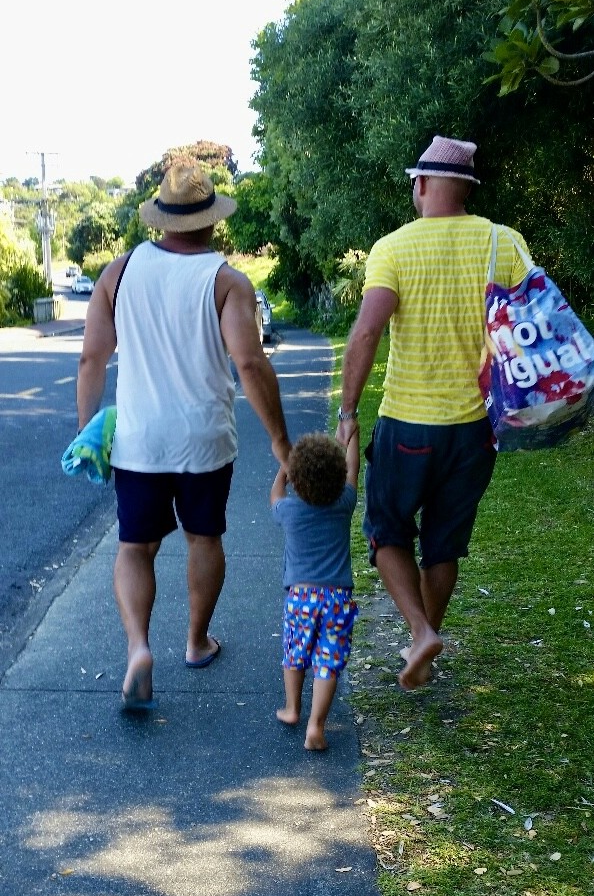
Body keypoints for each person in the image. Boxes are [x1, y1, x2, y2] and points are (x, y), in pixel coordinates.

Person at [76, 162, 291, 711]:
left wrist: (86, 432)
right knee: (204, 539)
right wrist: (280, 442)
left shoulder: (118, 273)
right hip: (204, 439)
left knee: (135, 547)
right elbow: (249, 362)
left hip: (140, 441)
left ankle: (139, 648)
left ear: (161, 218)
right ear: (213, 221)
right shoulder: (227, 281)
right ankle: (196, 643)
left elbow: (92, 356)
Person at [336, 136, 533, 691]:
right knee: (444, 542)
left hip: (408, 425)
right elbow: (529, 328)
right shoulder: (504, 242)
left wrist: (349, 410)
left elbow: (369, 329)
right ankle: (428, 637)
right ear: (466, 188)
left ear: (421, 185)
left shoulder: (394, 248)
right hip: (476, 430)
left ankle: (420, 631)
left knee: (386, 529)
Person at [271, 430, 360, 751]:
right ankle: (316, 726)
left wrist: (285, 466)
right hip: (338, 599)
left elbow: (275, 495)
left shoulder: (290, 512)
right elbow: (354, 471)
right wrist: (352, 437)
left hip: (301, 598)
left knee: (294, 654)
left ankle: (293, 708)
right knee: (328, 661)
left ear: (297, 478)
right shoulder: (344, 504)